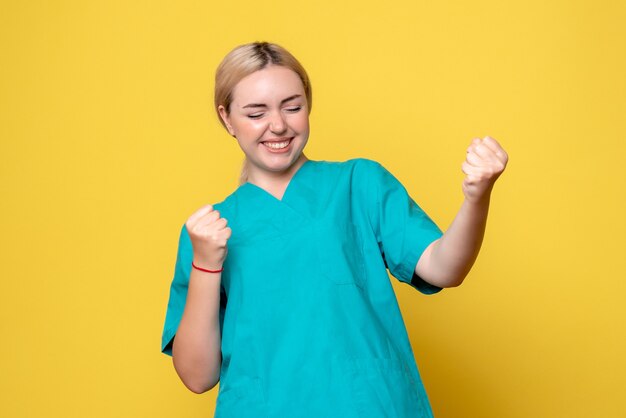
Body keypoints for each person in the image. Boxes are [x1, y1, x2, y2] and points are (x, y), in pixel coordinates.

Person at [161, 42, 508, 418]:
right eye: (256, 113)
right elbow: (197, 377)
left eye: (292, 107)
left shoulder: (359, 184)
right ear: (227, 119)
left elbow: (443, 268)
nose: (278, 125)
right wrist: (206, 265)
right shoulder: (210, 231)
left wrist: (477, 198)